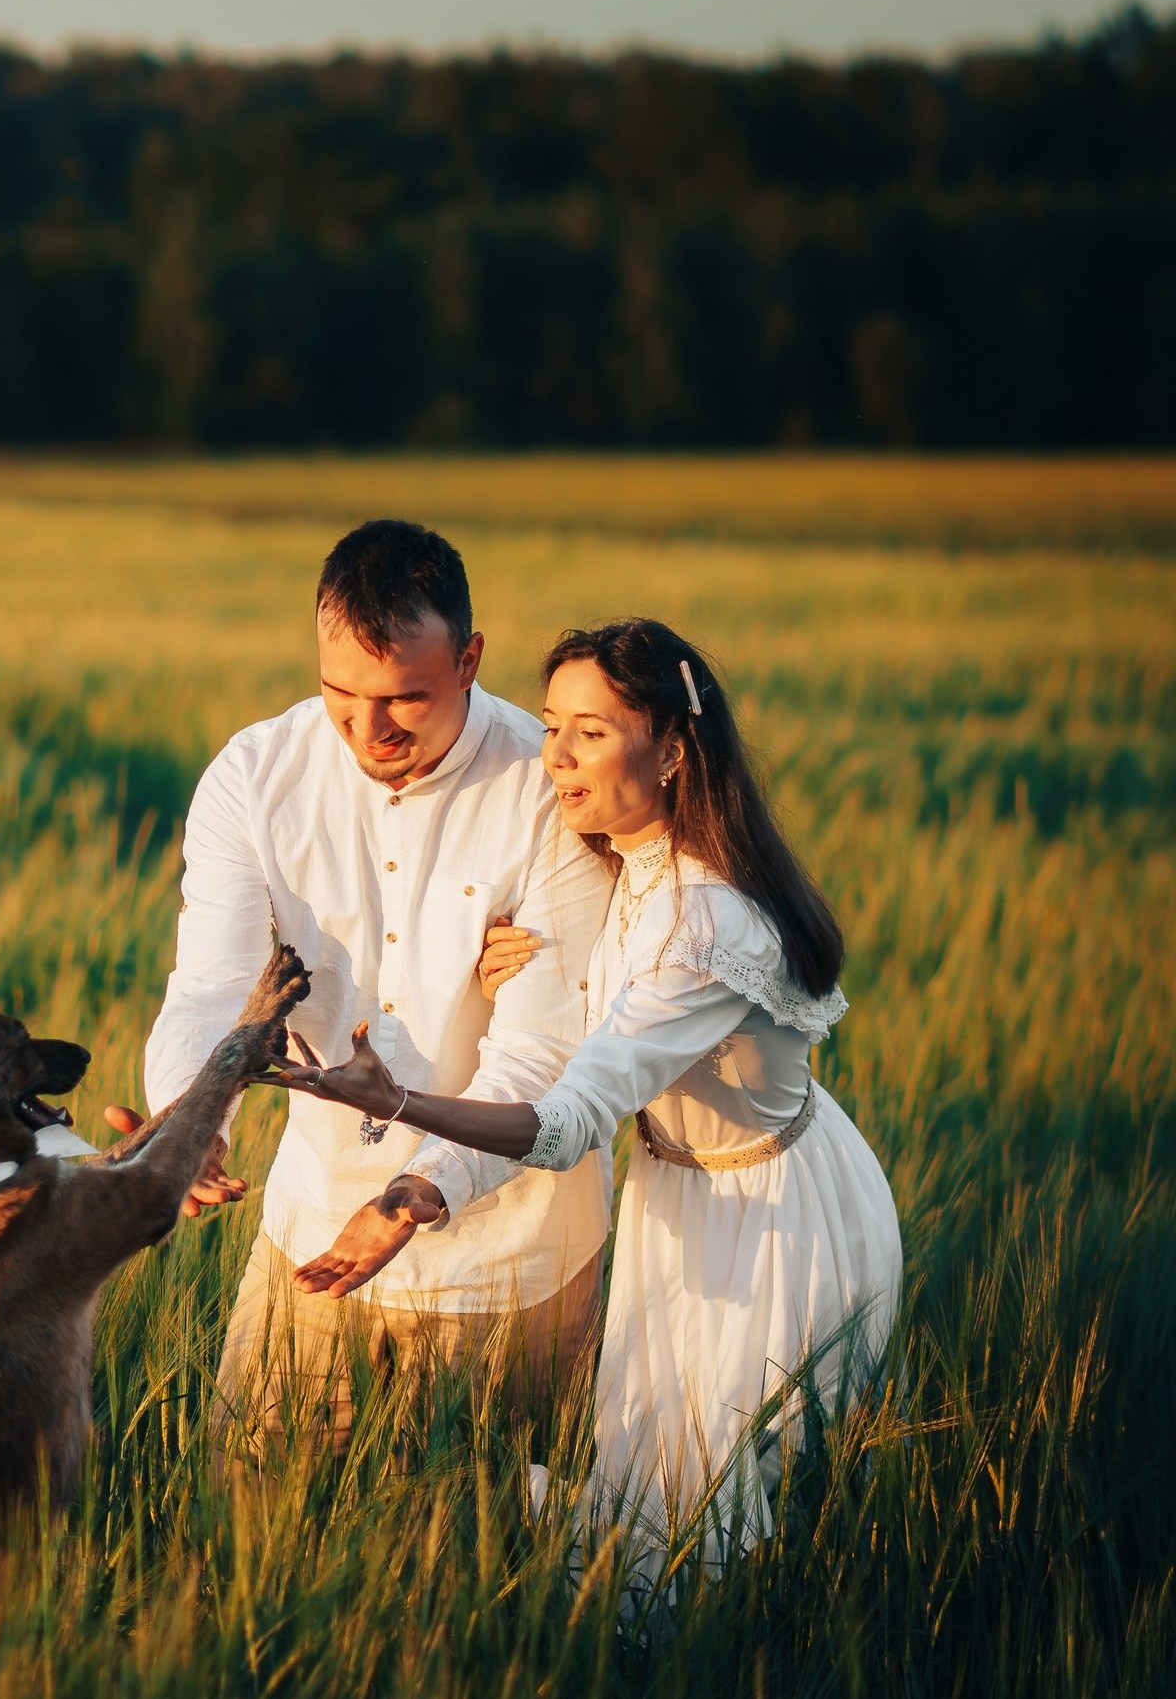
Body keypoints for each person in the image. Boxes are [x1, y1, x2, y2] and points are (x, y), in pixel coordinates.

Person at [270, 617, 904, 1576]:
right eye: (551, 724)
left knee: (702, 1514)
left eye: (591, 733)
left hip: (770, 1226)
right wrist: (516, 965)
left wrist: (395, 1103)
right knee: (657, 1479)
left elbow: (566, 1124)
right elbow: (591, 983)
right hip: (682, 1193)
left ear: (673, 751)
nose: (552, 758)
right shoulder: (627, 860)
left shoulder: (705, 928)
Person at [108, 520, 614, 1448]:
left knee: (482, 1557)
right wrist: (191, 1123)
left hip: (511, 1250)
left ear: (469, 660)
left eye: (404, 699)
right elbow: (212, 988)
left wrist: (423, 1186)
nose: (367, 729)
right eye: (339, 693)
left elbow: (546, 1053)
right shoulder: (255, 776)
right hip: (313, 1210)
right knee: (251, 1526)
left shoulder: (552, 788)